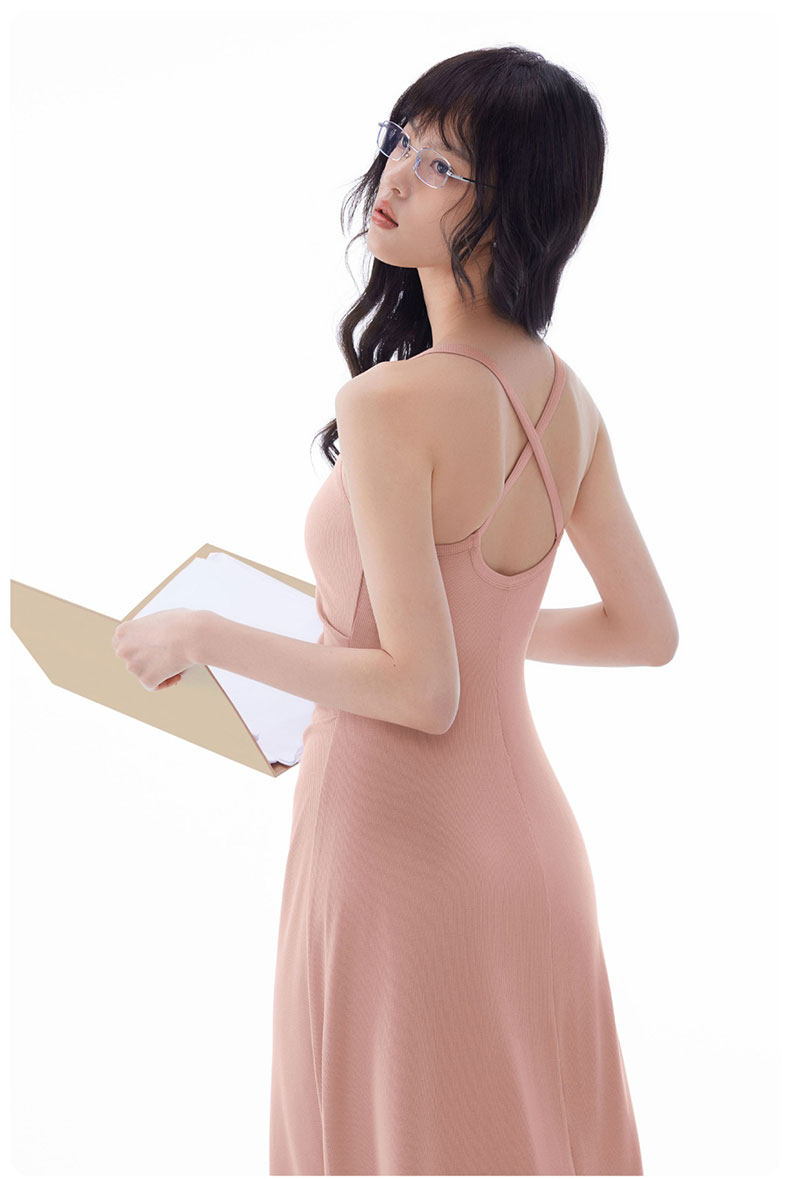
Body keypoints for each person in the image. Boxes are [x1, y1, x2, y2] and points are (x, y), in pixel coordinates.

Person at [113, 42, 677, 1178]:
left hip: (397, 853)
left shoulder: (388, 403)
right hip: (529, 854)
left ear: (514, 207)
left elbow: (421, 691)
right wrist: (483, 635)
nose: (398, 177)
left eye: (444, 166)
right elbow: (643, 633)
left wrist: (205, 635)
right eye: (401, 141)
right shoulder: (565, 402)